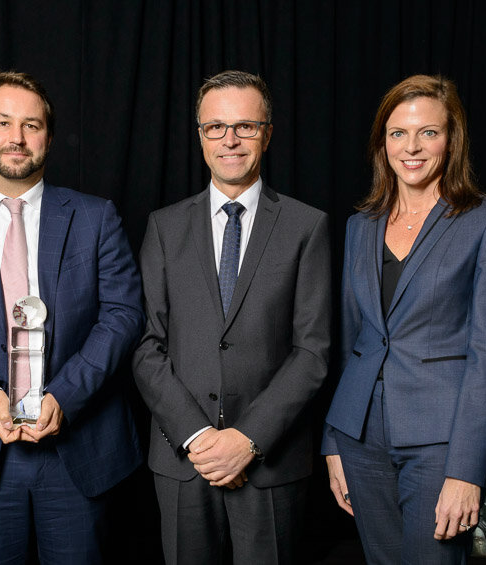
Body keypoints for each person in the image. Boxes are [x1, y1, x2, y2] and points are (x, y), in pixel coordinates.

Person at [0, 71, 144, 564]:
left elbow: (123, 315)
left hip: (78, 450)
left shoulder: (95, 216)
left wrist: (66, 394)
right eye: (2, 122)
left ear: (49, 137)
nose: (16, 138)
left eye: (31, 125)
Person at [133, 70, 331, 564]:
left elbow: (313, 351)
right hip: (184, 460)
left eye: (245, 125)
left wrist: (247, 439)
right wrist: (200, 438)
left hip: (271, 463)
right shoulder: (163, 226)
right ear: (199, 134)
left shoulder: (308, 226)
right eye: (215, 127)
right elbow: (144, 344)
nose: (230, 140)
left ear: (267, 132)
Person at [322, 74, 486, 564]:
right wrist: (334, 441)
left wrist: (468, 470)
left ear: (451, 140)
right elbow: (353, 342)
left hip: (441, 441)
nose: (411, 147)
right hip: (360, 436)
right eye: (398, 133)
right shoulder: (360, 226)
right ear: (382, 142)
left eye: (428, 133)